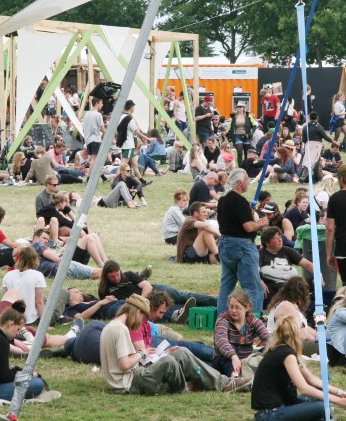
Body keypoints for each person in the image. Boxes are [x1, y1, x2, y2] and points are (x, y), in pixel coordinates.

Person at [99, 294, 246, 395]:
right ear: (137, 312)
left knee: (181, 352)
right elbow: (125, 365)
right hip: (129, 382)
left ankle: (223, 382)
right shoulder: (120, 329)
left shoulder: (112, 326)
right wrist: (142, 353)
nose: (142, 322)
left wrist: (158, 354)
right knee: (169, 362)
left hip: (133, 375)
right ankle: (191, 386)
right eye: (143, 317)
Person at [251, 314, 346, 421]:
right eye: (303, 326)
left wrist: (340, 393)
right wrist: (338, 401)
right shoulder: (286, 354)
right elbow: (304, 388)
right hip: (270, 414)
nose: (306, 328)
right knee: (323, 406)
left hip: (279, 407)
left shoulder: (284, 350)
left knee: (319, 396)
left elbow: (312, 379)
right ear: (297, 332)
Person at [217, 169, 269, 315]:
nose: (248, 183)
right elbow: (248, 227)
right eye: (247, 180)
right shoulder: (239, 200)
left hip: (225, 243)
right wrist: (261, 222)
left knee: (227, 286)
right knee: (253, 287)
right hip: (242, 246)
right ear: (239, 183)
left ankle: (222, 320)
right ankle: (252, 322)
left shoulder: (223, 199)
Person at [212, 291, 270, 377]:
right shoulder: (223, 320)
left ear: (247, 307)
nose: (233, 311)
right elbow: (221, 340)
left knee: (269, 349)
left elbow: (268, 338)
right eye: (231, 307)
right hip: (224, 362)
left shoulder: (253, 321)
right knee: (228, 350)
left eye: (237, 307)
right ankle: (234, 377)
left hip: (245, 362)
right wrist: (233, 356)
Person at [259, 226, 314, 304]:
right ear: (267, 243)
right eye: (275, 238)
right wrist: (260, 282)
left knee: (314, 283)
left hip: (292, 285)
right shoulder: (261, 254)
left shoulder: (287, 251)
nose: (280, 240)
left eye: (280, 237)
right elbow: (254, 271)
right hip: (272, 287)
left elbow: (307, 264)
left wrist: (318, 275)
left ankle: (311, 309)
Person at [1, 246, 46, 325]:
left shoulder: (7, 276)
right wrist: (45, 324)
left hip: (13, 319)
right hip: (30, 320)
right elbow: (39, 303)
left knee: (44, 299)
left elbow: (5, 301)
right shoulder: (37, 275)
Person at [228, 101, 254, 167]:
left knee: (246, 153)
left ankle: (247, 167)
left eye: (240, 107)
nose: (239, 108)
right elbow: (230, 128)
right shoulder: (234, 117)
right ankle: (240, 167)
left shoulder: (248, 116)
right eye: (238, 107)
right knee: (239, 153)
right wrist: (230, 138)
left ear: (244, 108)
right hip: (237, 136)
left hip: (246, 135)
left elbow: (254, 125)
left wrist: (250, 132)